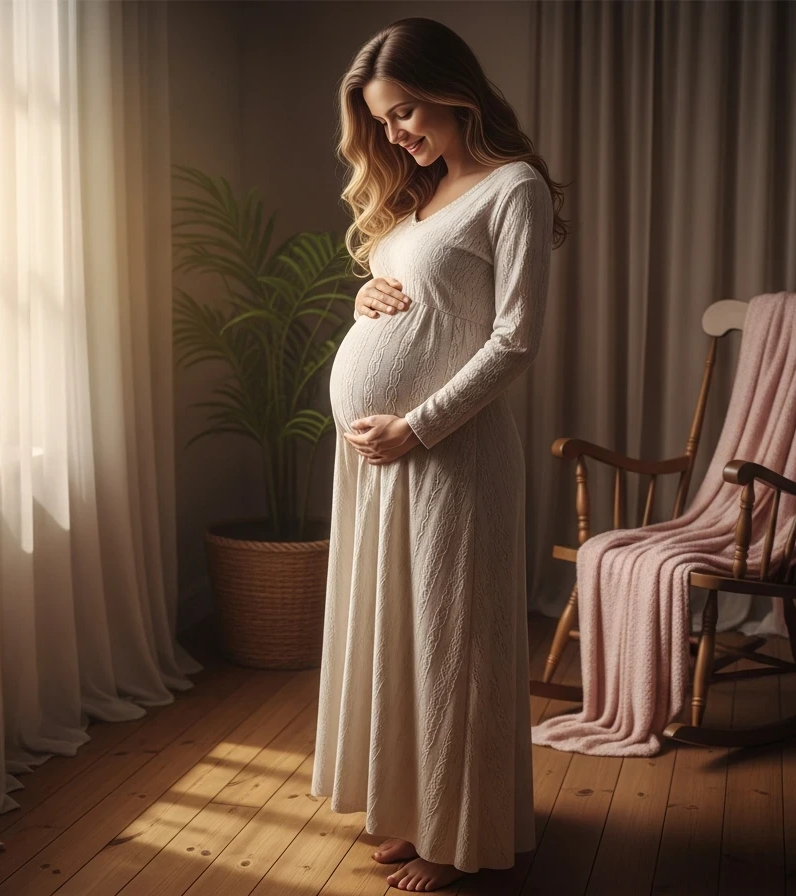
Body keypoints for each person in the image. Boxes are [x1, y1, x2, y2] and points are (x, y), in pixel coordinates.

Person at [311, 16, 569, 893]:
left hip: (448, 455)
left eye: (408, 111)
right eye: (384, 122)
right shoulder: (417, 198)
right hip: (381, 463)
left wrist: (415, 425)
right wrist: (366, 296)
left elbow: (514, 341)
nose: (397, 134)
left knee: (450, 640)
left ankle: (458, 838)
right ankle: (417, 808)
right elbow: (426, 304)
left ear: (457, 92)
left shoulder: (514, 188)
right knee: (399, 634)